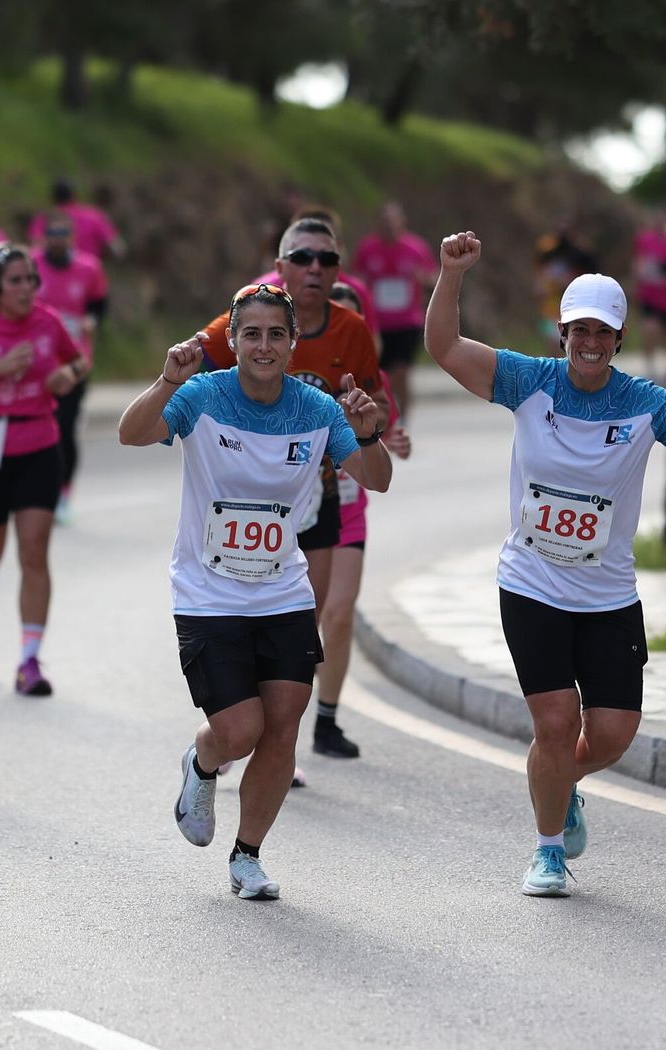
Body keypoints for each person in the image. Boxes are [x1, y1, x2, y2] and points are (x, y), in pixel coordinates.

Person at [426, 230, 666, 897]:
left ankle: (564, 784)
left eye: (603, 333)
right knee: (555, 723)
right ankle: (548, 851)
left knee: (611, 734)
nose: (590, 343)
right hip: (531, 583)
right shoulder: (528, 382)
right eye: (579, 330)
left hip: (608, 594)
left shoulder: (646, 404)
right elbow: (443, 347)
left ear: (618, 340)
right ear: (561, 333)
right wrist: (451, 274)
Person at [118, 283, 390, 900]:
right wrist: (165, 382)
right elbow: (131, 433)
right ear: (233, 341)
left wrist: (366, 433)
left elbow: (377, 480)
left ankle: (248, 856)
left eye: (275, 335)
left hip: (282, 592)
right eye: (251, 334)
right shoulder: (203, 395)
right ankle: (204, 761)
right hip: (208, 594)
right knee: (240, 730)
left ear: (293, 344)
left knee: (284, 726)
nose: (263, 346)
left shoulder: (318, 409)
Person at [200, 219, 392, 760]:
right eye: (303, 258)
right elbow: (196, 363)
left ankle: (282, 737)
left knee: (307, 620)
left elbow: (374, 398)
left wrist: (374, 426)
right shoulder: (252, 310)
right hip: (244, 496)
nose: (315, 269)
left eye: (326, 261)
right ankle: (243, 727)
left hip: (320, 494)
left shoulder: (350, 328)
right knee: (246, 617)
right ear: (280, 265)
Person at [0, 242, 85, 695]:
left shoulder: (47, 322)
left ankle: (29, 661)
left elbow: (77, 358)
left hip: (38, 445)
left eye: (31, 279)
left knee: (33, 552)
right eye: (16, 281)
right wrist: (0, 368)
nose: (27, 288)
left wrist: (68, 376)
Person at [32, 212, 109, 522]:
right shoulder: (31, 266)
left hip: (76, 361)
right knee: (37, 428)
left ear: (71, 238)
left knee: (64, 429)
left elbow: (99, 302)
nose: (57, 240)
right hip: (37, 362)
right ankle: (37, 491)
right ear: (45, 236)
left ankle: (63, 493)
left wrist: (91, 319)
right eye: (52, 233)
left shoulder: (88, 268)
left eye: (63, 234)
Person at [351, 201, 437, 419]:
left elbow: (434, 277)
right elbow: (355, 278)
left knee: (402, 373)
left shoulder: (416, 248)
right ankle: (386, 417)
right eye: (385, 221)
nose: (389, 226)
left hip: (407, 322)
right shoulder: (367, 248)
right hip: (378, 323)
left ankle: (404, 419)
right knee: (381, 375)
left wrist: (423, 278)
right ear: (378, 223)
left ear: (402, 222)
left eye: (393, 221)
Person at [254, 206, 381, 339]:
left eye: (327, 239)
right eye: (304, 254)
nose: (315, 267)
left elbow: (372, 341)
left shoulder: (356, 292)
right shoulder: (262, 290)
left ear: (339, 245)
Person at [28, 178, 125, 262]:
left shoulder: (44, 218)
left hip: (52, 276)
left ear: (53, 196)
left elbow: (36, 248)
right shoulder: (94, 216)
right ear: (74, 194)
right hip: (89, 275)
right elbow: (117, 249)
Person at [632, 210, 666, 360]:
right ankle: (650, 366)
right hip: (649, 295)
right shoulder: (644, 239)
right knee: (650, 329)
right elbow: (637, 262)